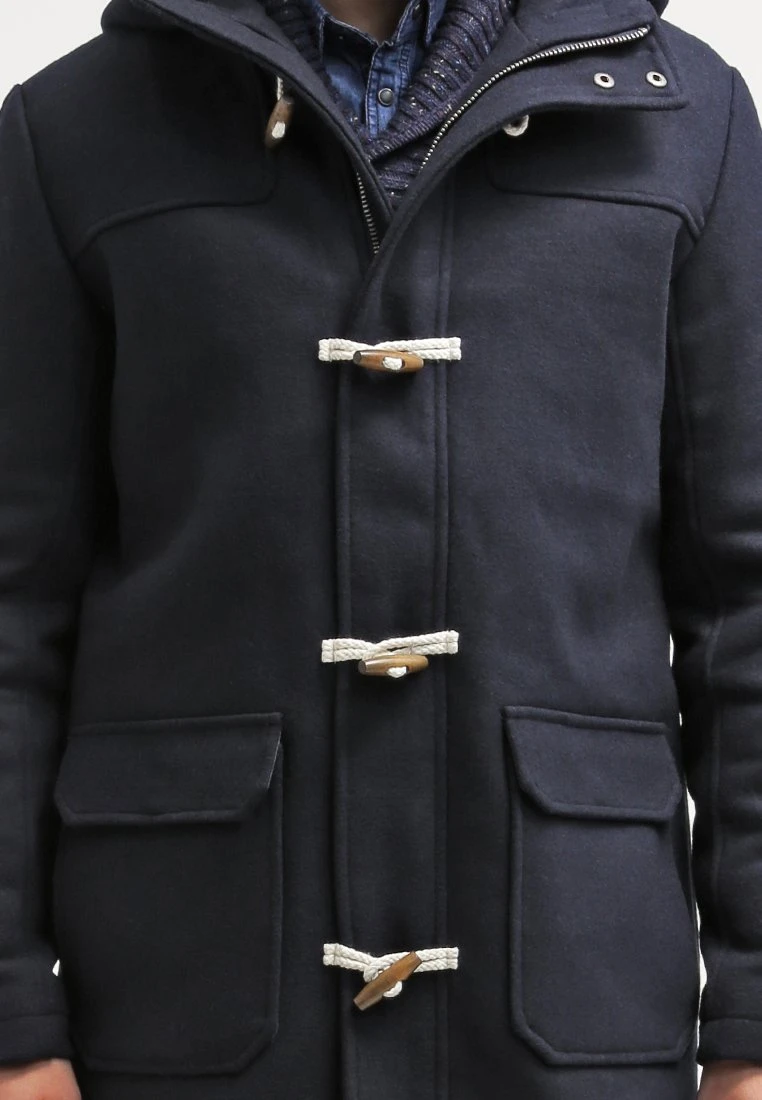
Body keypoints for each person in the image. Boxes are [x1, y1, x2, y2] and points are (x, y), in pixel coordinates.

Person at [0, 0, 761, 1097]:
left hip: (569, 997)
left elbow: (745, 600)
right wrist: (14, 1027)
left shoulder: (687, 121)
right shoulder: (74, 127)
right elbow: (15, 598)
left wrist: (753, 1027)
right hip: (194, 1006)